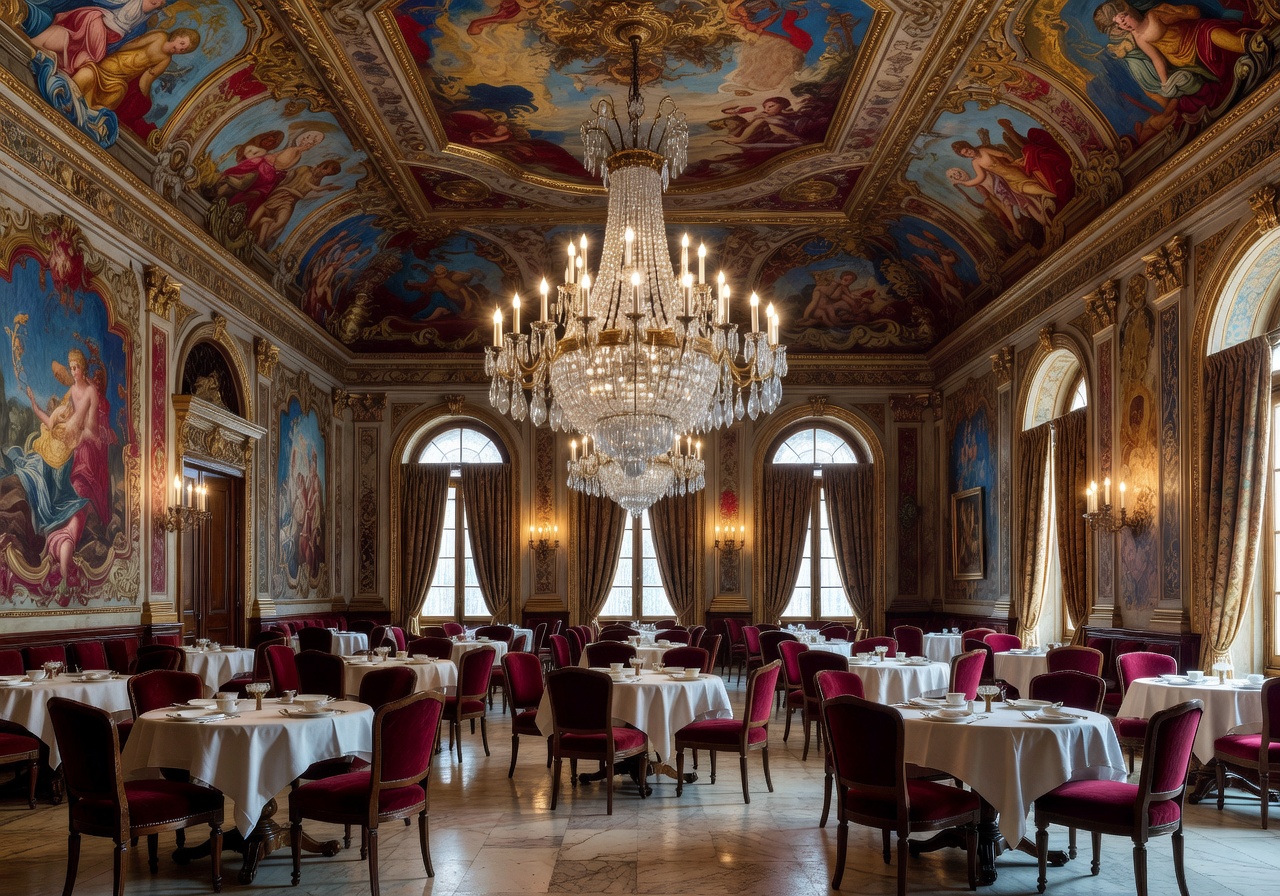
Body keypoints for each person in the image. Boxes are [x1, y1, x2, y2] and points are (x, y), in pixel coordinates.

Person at [70, 27, 199, 111]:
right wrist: (109, 51)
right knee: (86, 75)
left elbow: (148, 78)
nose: (179, 49)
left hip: (119, 81)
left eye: (184, 50)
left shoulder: (166, 60)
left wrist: (144, 98)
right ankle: (73, 99)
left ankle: (87, 109)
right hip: (110, 66)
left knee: (118, 94)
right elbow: (133, 44)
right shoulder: (160, 37)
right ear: (177, 35)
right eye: (182, 43)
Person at [30, 0, 167, 75]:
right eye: (153, 2)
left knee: (89, 59)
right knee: (95, 55)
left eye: (158, 5)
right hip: (95, 19)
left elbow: (124, 40)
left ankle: (56, 60)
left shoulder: (141, 25)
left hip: (106, 35)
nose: (154, 6)